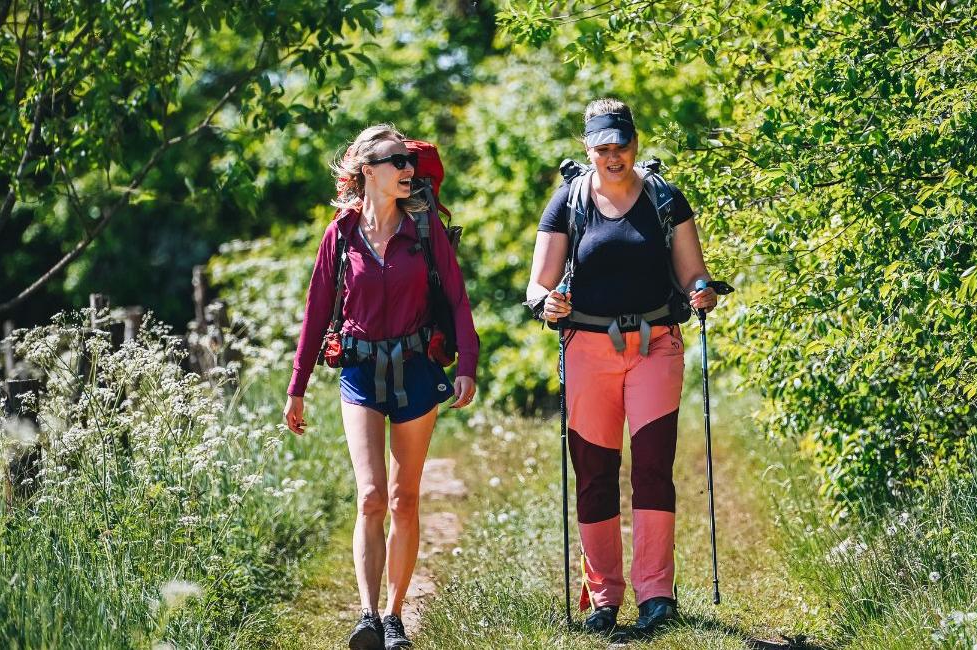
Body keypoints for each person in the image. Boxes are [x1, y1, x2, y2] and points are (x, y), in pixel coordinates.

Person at [526, 99, 719, 636]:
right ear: (588, 149)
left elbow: (693, 276)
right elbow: (537, 284)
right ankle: (603, 596)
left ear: (635, 144)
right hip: (587, 349)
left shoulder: (664, 198)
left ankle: (657, 594)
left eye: (622, 147)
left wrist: (702, 293)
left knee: (654, 466)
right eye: (603, 149)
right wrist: (547, 303)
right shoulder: (567, 201)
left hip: (656, 343)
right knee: (594, 473)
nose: (614, 157)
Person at [284, 124, 479, 650]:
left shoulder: (424, 229)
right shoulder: (340, 234)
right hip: (360, 372)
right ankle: (367, 616)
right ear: (367, 169)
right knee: (370, 496)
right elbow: (316, 311)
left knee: (404, 497)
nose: (407, 170)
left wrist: (469, 365)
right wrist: (296, 385)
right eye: (396, 160)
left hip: (417, 367)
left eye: (409, 161)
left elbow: (458, 300)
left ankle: (395, 618)